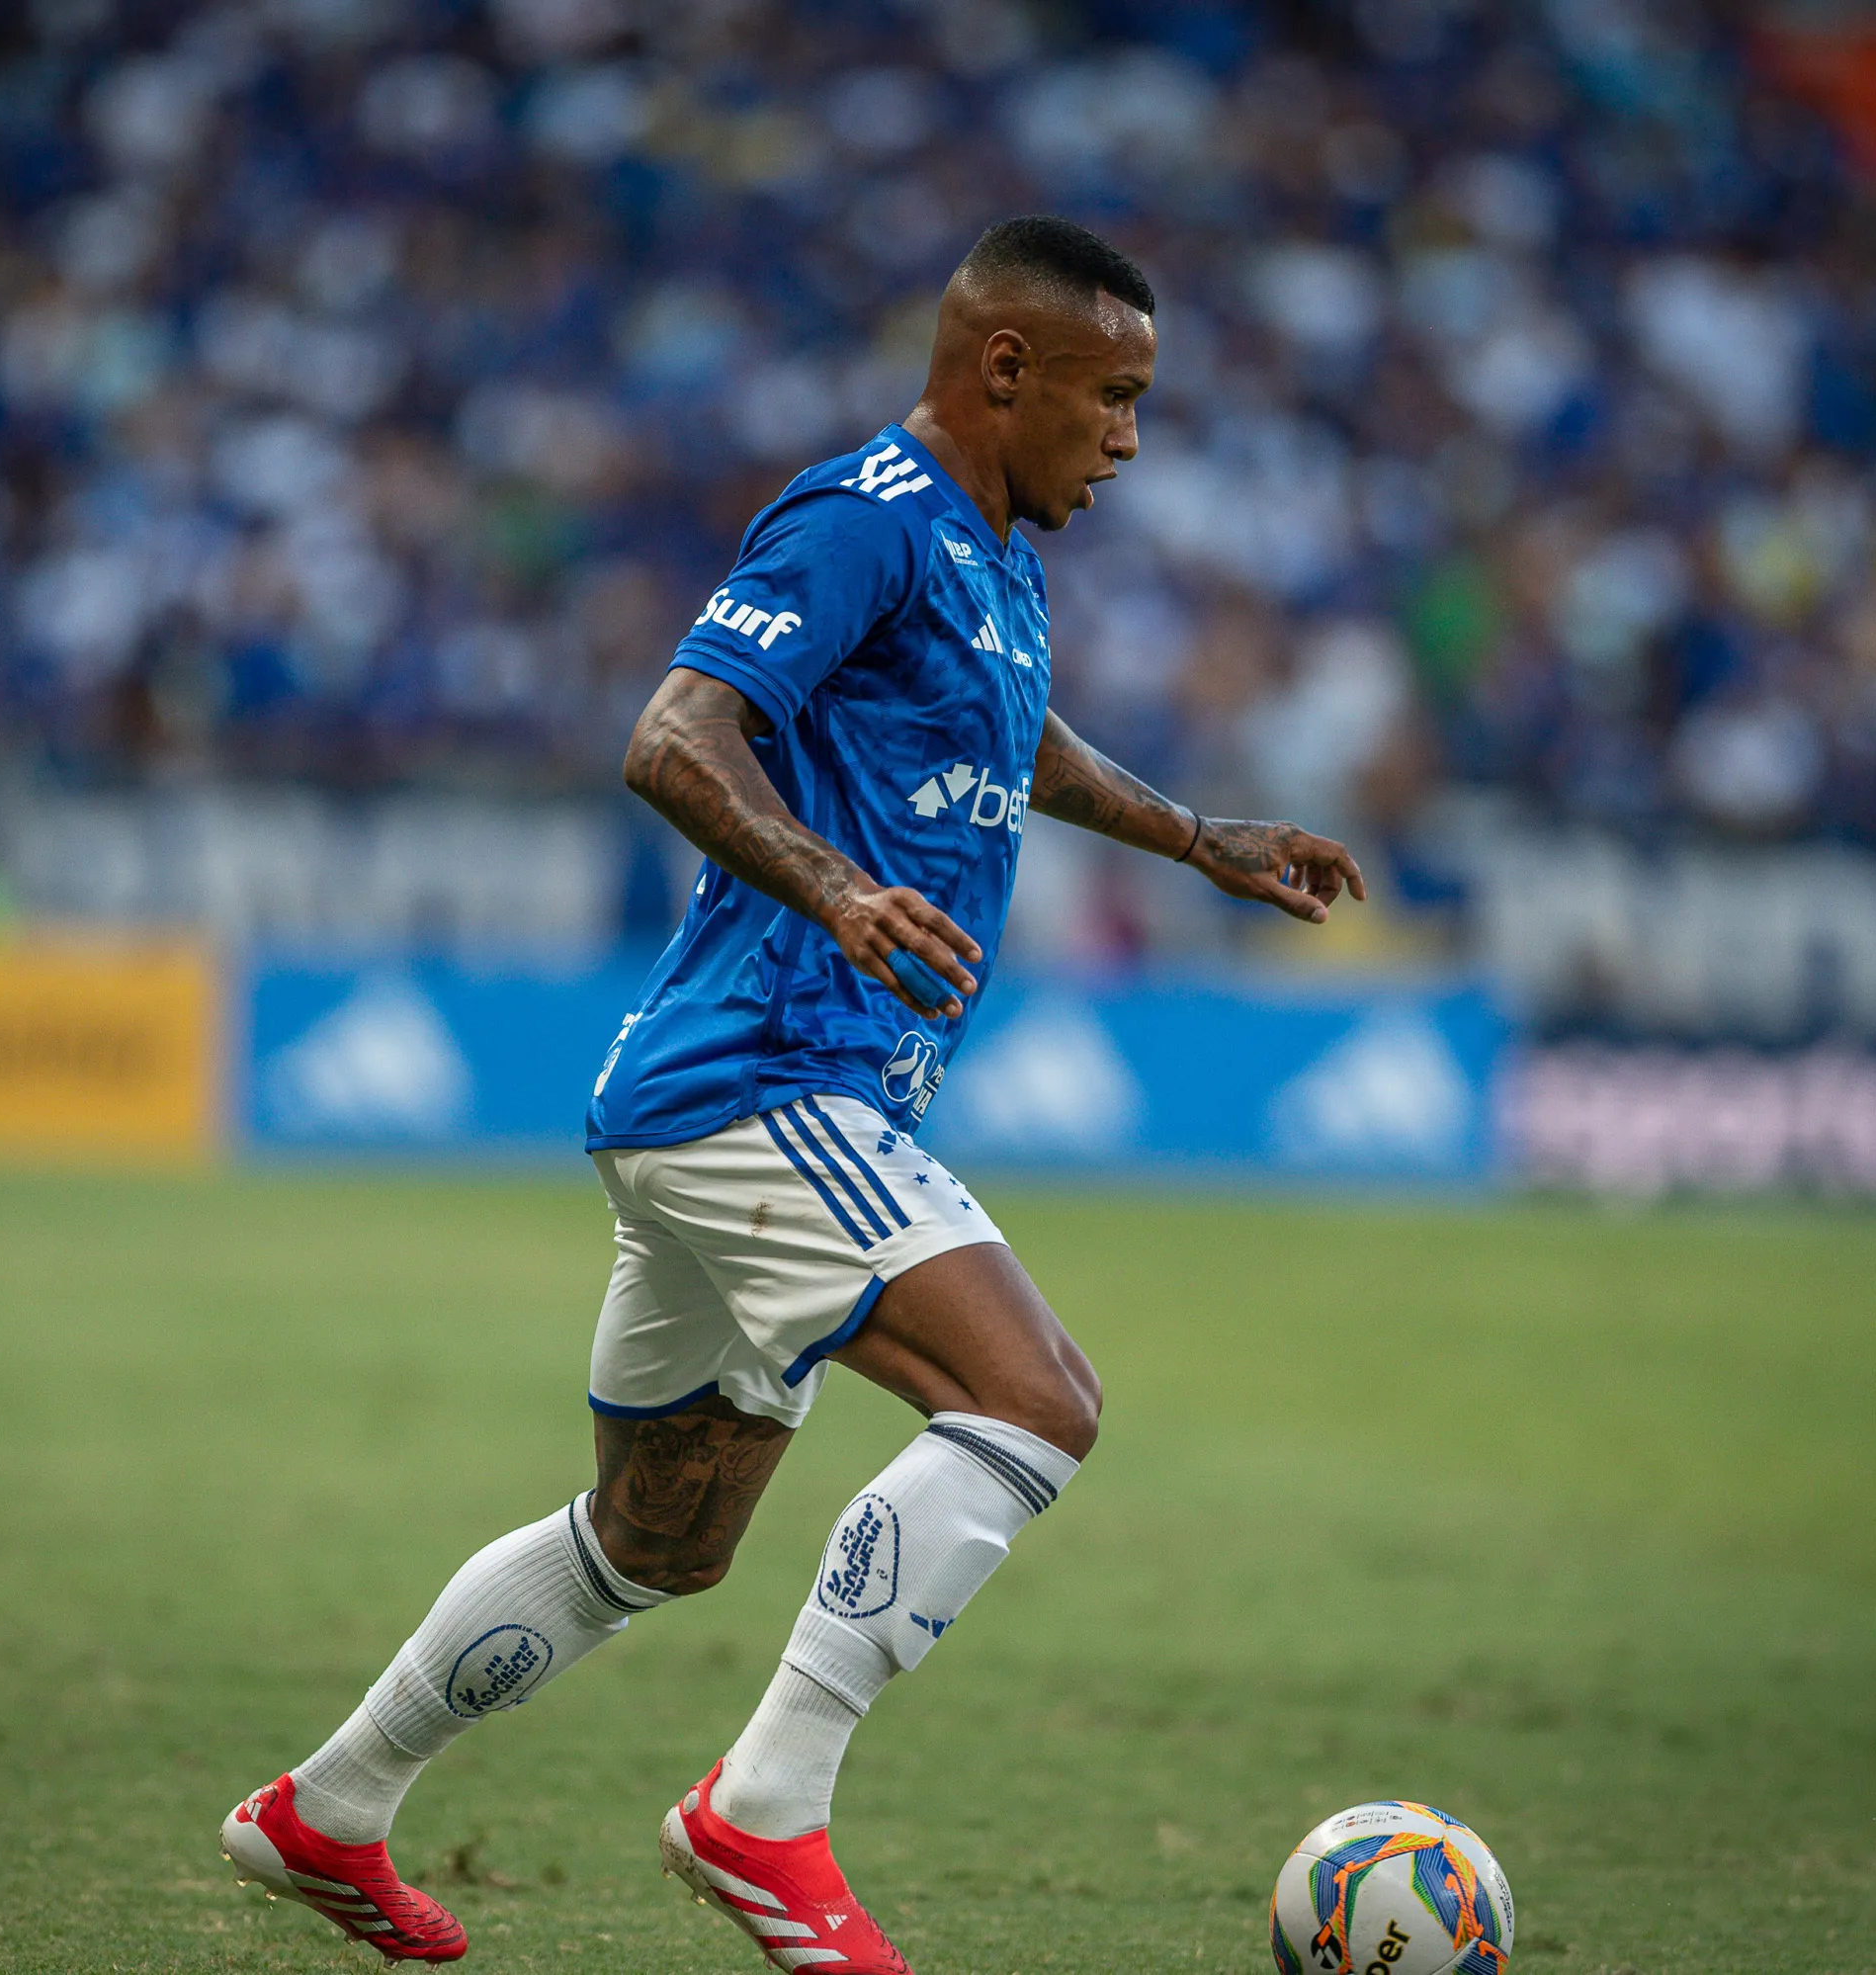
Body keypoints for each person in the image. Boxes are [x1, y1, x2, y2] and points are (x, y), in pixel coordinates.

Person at [220, 215, 1365, 1972]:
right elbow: (675, 733)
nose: (1130, 439)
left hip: (761, 1099)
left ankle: (329, 1809)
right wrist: (836, 887)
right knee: (1036, 1397)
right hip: (763, 1076)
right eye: (1115, 398)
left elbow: (1015, 732)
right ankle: (763, 1815)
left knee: (652, 1539)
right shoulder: (862, 517)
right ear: (1007, 368)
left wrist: (1194, 835)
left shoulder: (992, 558)